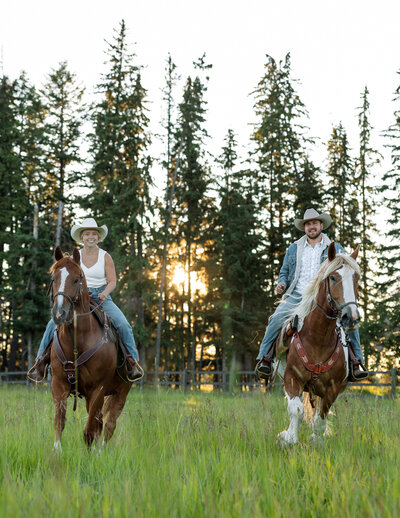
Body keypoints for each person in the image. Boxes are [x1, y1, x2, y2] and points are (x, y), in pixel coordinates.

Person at [255, 208, 369, 381]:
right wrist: (282, 283)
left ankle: (356, 362)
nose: (311, 227)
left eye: (315, 223)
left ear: (321, 225)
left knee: (350, 319)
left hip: (323, 297)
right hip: (297, 295)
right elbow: (285, 271)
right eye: (308, 224)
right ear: (304, 227)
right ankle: (265, 359)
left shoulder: (335, 248)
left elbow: (345, 270)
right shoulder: (294, 248)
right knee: (276, 319)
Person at [28, 217, 143, 382]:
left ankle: (132, 363)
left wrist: (105, 293)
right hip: (78, 298)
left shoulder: (105, 257)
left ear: (98, 237)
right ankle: (40, 364)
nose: (91, 237)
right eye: (87, 233)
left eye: (94, 234)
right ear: (82, 237)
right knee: (52, 324)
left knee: (123, 324)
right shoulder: (76, 257)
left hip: (101, 297)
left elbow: (112, 281)